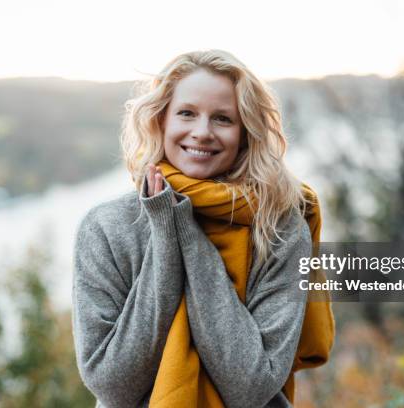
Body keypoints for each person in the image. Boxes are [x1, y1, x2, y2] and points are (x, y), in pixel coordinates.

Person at [72, 49, 335, 408]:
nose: (202, 132)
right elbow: (112, 385)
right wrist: (165, 235)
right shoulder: (106, 228)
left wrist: (181, 230)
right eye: (187, 113)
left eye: (223, 119)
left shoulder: (280, 227)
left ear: (245, 133)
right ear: (160, 120)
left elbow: (251, 388)